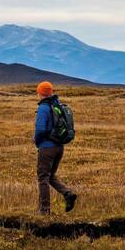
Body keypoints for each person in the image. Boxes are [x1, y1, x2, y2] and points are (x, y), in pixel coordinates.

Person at [34, 81, 78, 214]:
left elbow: (41, 129)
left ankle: (44, 211)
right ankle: (68, 194)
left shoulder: (43, 108)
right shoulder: (57, 105)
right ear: (51, 92)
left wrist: (36, 141)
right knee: (50, 176)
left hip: (47, 148)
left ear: (40, 93)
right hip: (59, 147)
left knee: (43, 178)